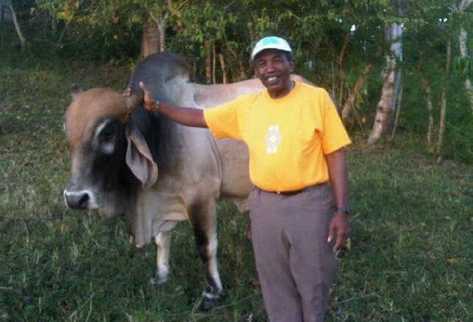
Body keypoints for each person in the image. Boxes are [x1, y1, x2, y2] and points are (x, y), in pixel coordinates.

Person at [139, 36, 351, 322]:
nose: (270, 68)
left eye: (277, 60)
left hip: (309, 204)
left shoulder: (317, 98)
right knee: (274, 284)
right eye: (262, 63)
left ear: (291, 63)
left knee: (312, 280)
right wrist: (159, 108)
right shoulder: (248, 106)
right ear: (256, 72)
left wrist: (340, 210)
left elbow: (336, 154)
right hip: (263, 205)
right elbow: (200, 117)